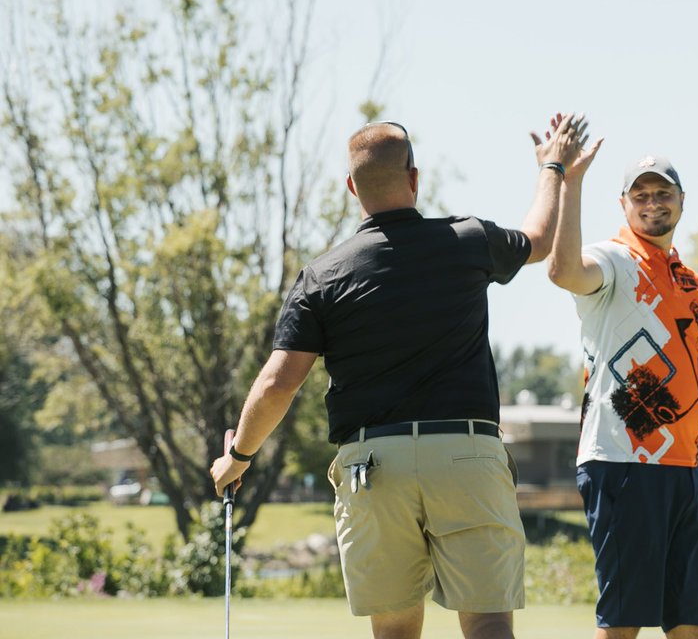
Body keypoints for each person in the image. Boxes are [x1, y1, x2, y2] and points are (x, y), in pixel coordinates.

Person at [210, 115, 587, 639]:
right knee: (488, 623)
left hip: (371, 466)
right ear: (414, 177)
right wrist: (552, 165)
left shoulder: (321, 276)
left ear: (351, 189)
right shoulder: (468, 239)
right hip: (467, 456)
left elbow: (278, 383)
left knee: (395, 632)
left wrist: (239, 457)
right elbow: (541, 239)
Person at [546, 151, 698, 639]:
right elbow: (564, 272)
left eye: (662, 194)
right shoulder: (615, 259)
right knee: (623, 623)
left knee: (689, 624)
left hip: (683, 465)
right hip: (623, 461)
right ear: (624, 205)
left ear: (682, 202)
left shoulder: (691, 282)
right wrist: (569, 183)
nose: (652, 203)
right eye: (640, 195)